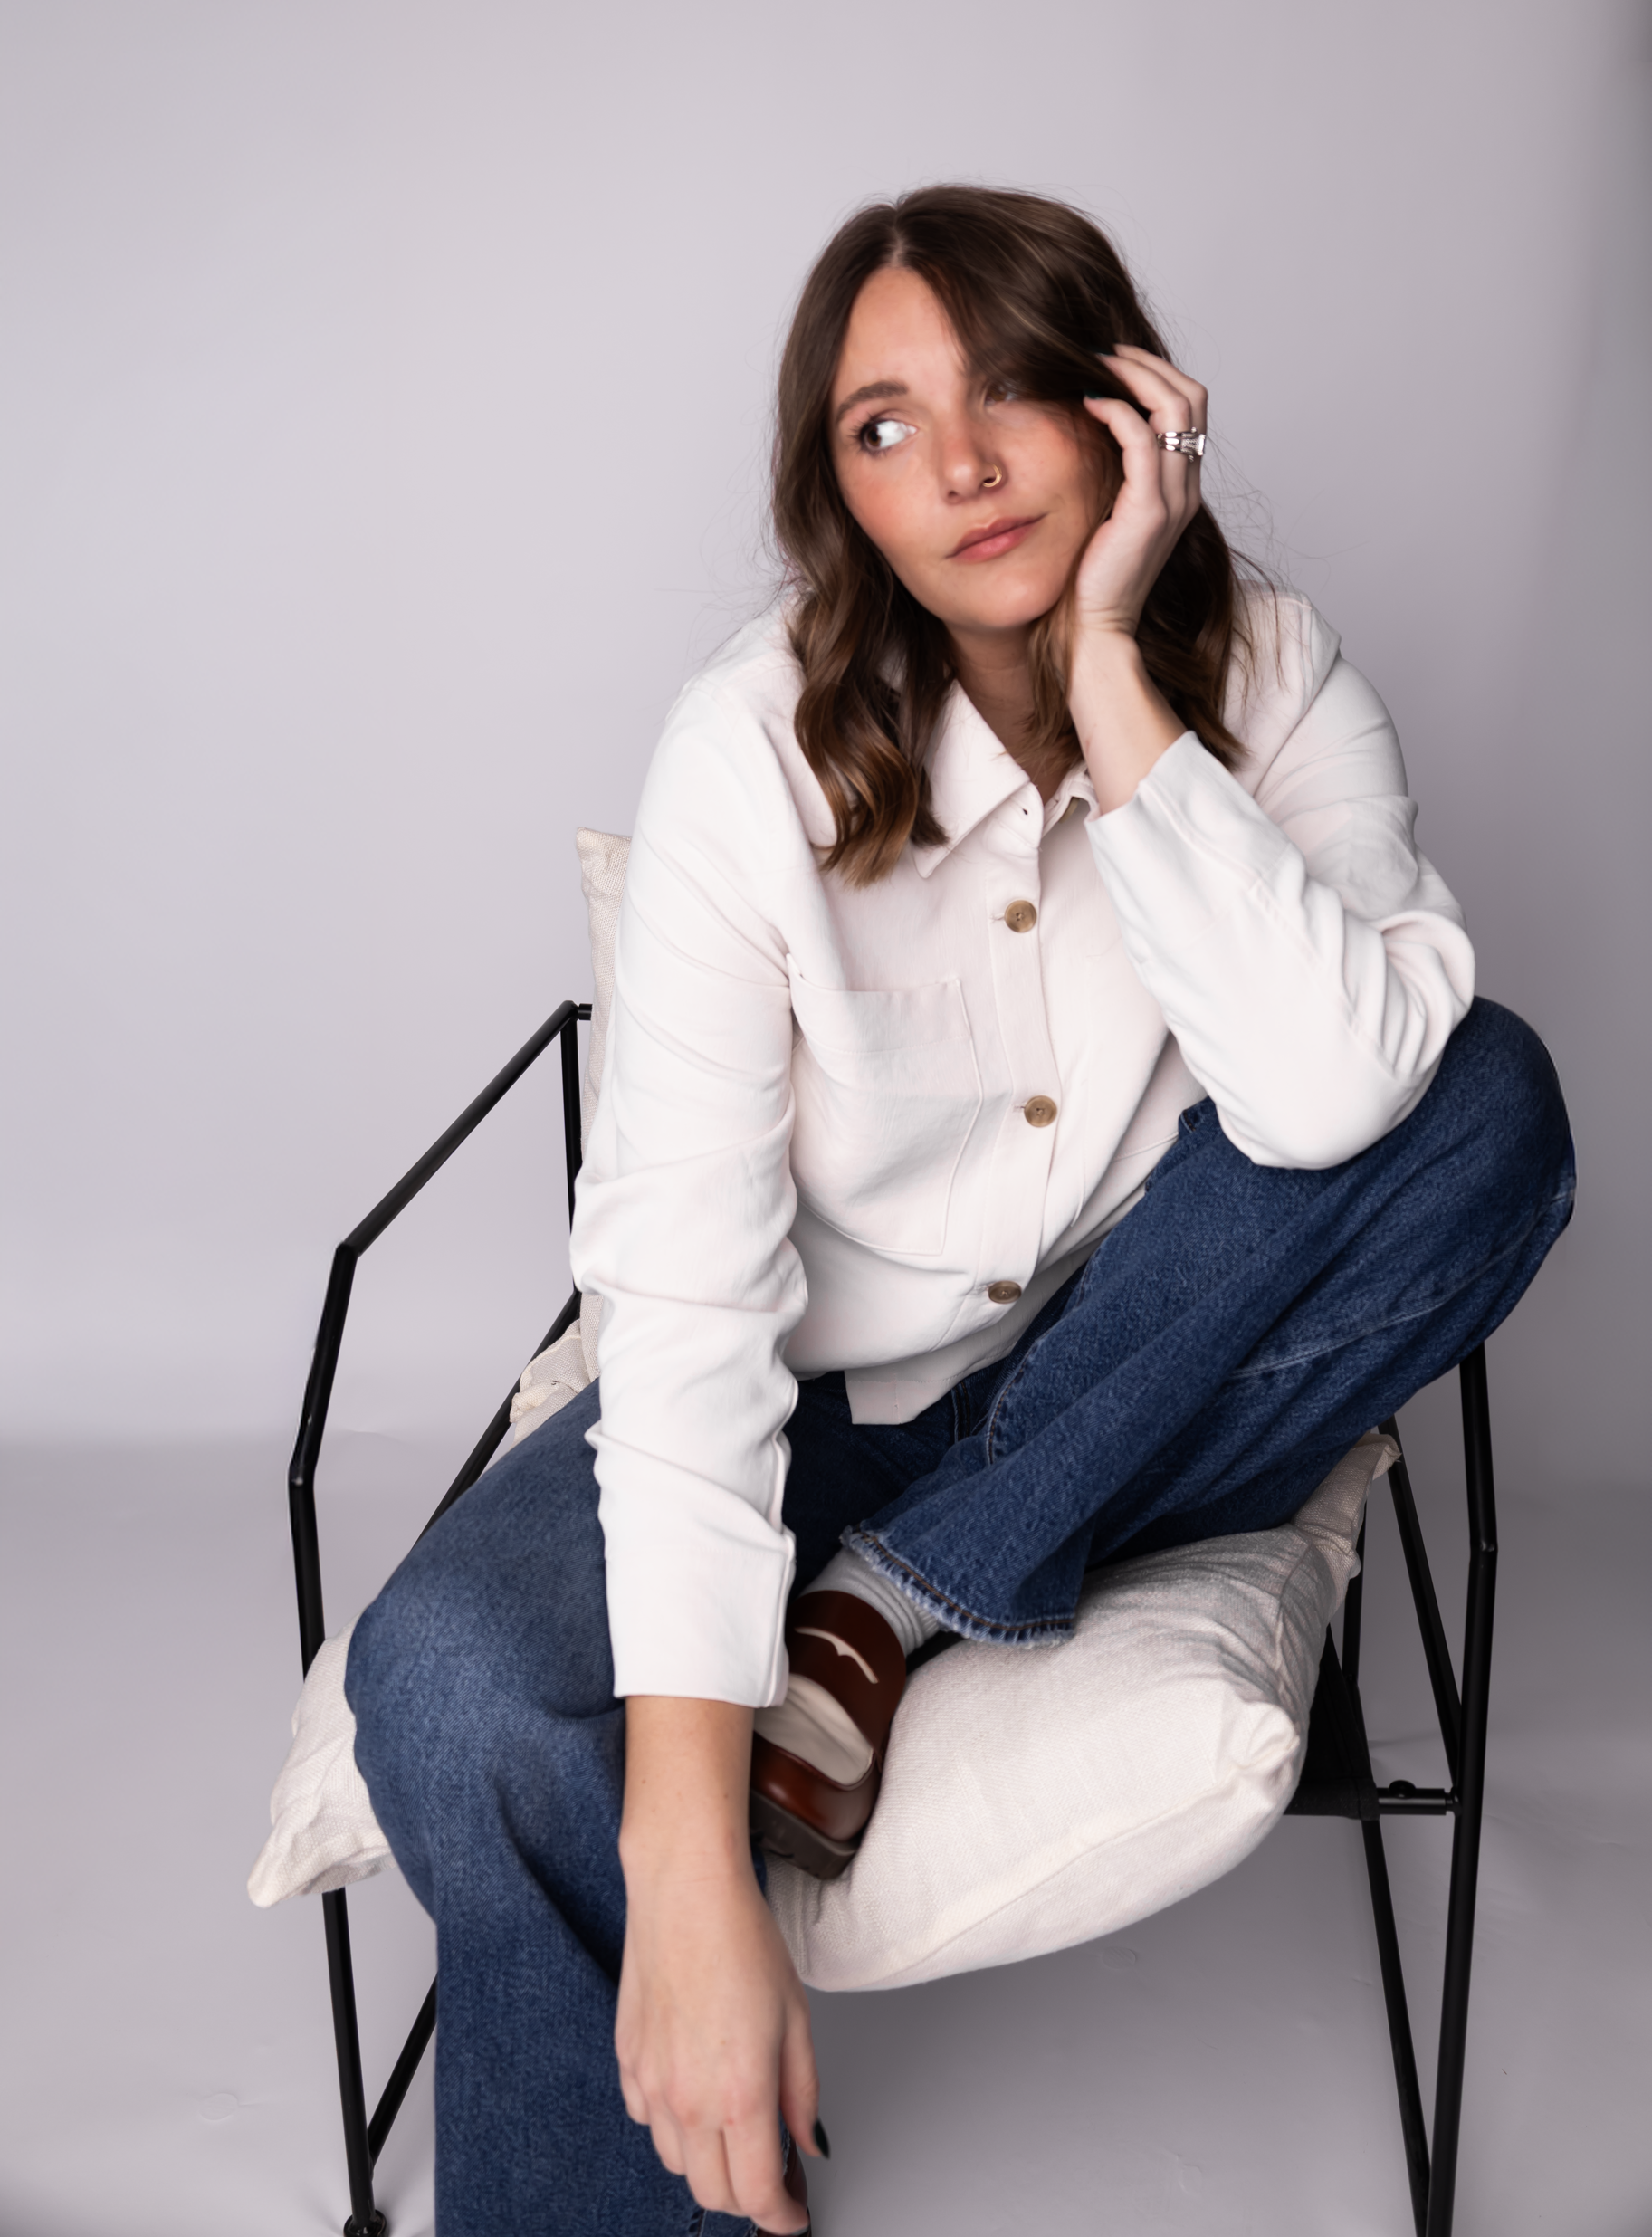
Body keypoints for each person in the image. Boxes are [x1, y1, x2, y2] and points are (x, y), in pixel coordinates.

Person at [345, 186, 1573, 2237]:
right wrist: (687, 1864)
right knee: (448, 1679)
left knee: (1490, 1100)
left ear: (1130, 413)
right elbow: (680, 1277)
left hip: (1157, 1366)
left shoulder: (1264, 670)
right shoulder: (752, 741)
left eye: (1012, 387)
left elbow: (1348, 1092)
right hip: (816, 1408)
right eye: (885, 424)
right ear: (832, 487)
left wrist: (1114, 671)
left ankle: (894, 1605)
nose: (970, 463)